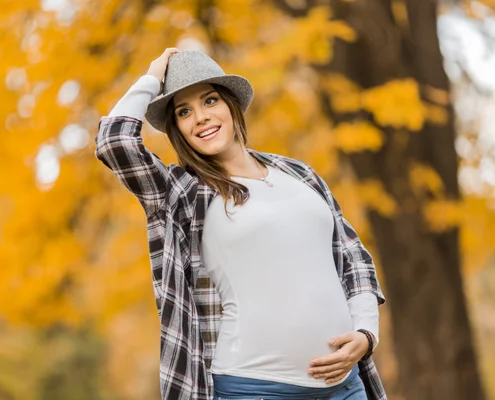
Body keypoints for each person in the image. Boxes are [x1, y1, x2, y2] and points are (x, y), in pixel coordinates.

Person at [95, 48, 387, 400]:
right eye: (184, 112)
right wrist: (152, 78)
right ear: (178, 129)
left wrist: (366, 334)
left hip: (345, 387)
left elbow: (355, 259)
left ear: (232, 105)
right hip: (253, 389)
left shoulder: (300, 174)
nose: (200, 117)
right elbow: (115, 142)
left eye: (210, 100)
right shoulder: (182, 192)